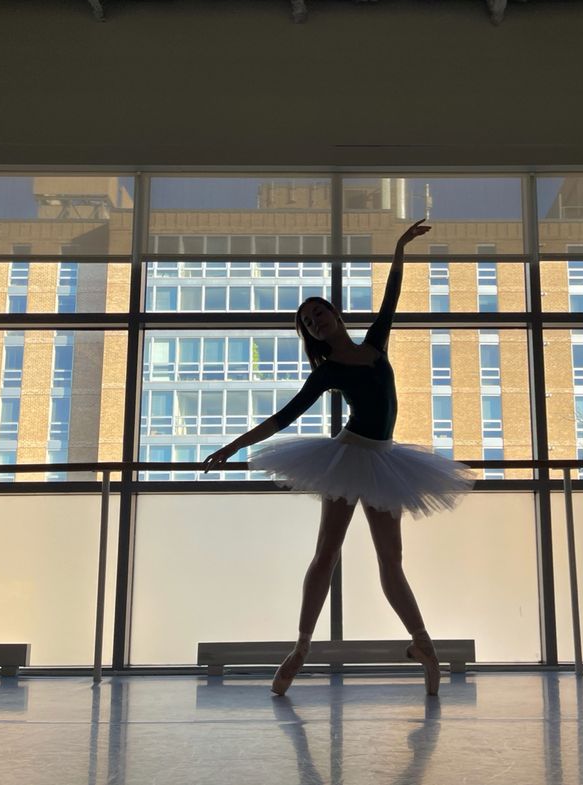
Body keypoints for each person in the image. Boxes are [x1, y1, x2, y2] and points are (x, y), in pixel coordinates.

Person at [202, 219, 476, 696]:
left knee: (392, 561)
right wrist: (233, 447)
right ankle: (301, 647)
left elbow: (392, 296)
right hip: (348, 459)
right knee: (326, 552)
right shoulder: (326, 372)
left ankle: (423, 646)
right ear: (311, 333)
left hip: (386, 460)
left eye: (319, 312)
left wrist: (398, 249)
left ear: (334, 314)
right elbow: (283, 419)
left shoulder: (375, 345)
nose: (316, 320)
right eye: (308, 321)